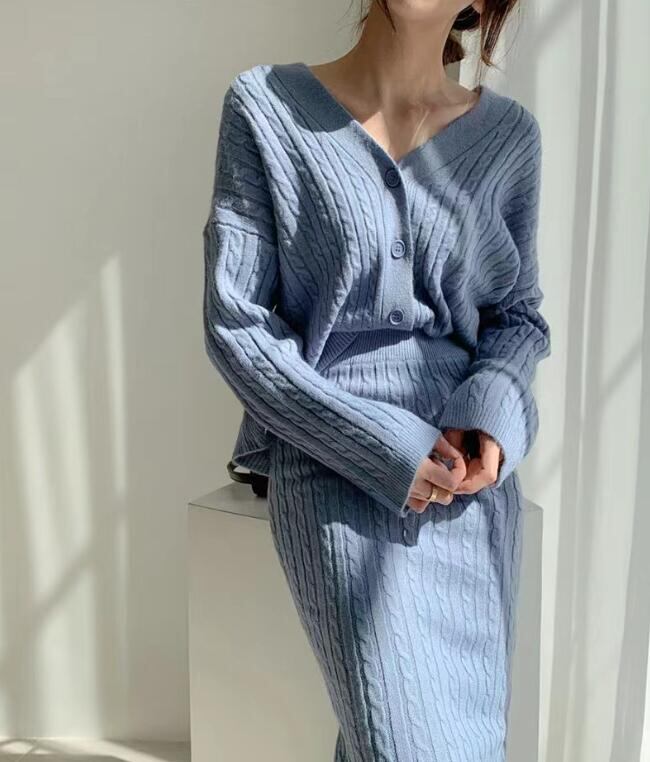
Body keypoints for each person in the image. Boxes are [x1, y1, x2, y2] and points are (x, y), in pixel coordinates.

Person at [202, 1, 551, 759]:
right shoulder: (266, 107)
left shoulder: (510, 137)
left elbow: (519, 318)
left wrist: (491, 414)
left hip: (466, 487)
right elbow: (237, 323)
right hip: (331, 464)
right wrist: (376, 443)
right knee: (402, 742)